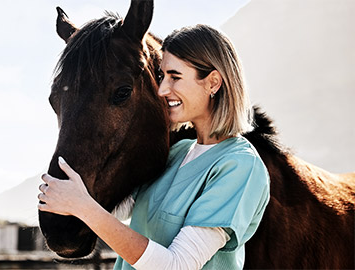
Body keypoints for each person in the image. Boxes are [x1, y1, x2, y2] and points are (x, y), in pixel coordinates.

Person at [38, 24, 270, 270]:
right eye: (162, 77)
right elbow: (117, 212)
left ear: (213, 82)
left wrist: (82, 206)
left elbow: (177, 265)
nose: (162, 89)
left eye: (175, 77)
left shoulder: (239, 167)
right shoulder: (176, 155)